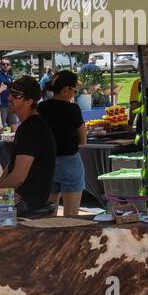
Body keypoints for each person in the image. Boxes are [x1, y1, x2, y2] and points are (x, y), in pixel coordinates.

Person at [0, 76, 56, 222]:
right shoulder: (25, 126)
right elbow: (9, 169)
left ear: (29, 101)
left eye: (16, 95)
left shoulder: (33, 128)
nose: (9, 97)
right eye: (10, 93)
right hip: (16, 195)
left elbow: (18, 177)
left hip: (29, 200)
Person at [37, 70, 87, 217]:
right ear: (66, 89)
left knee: (49, 215)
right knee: (71, 216)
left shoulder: (41, 108)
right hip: (69, 162)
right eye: (74, 90)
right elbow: (83, 140)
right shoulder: (73, 109)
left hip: (47, 163)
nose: (75, 93)